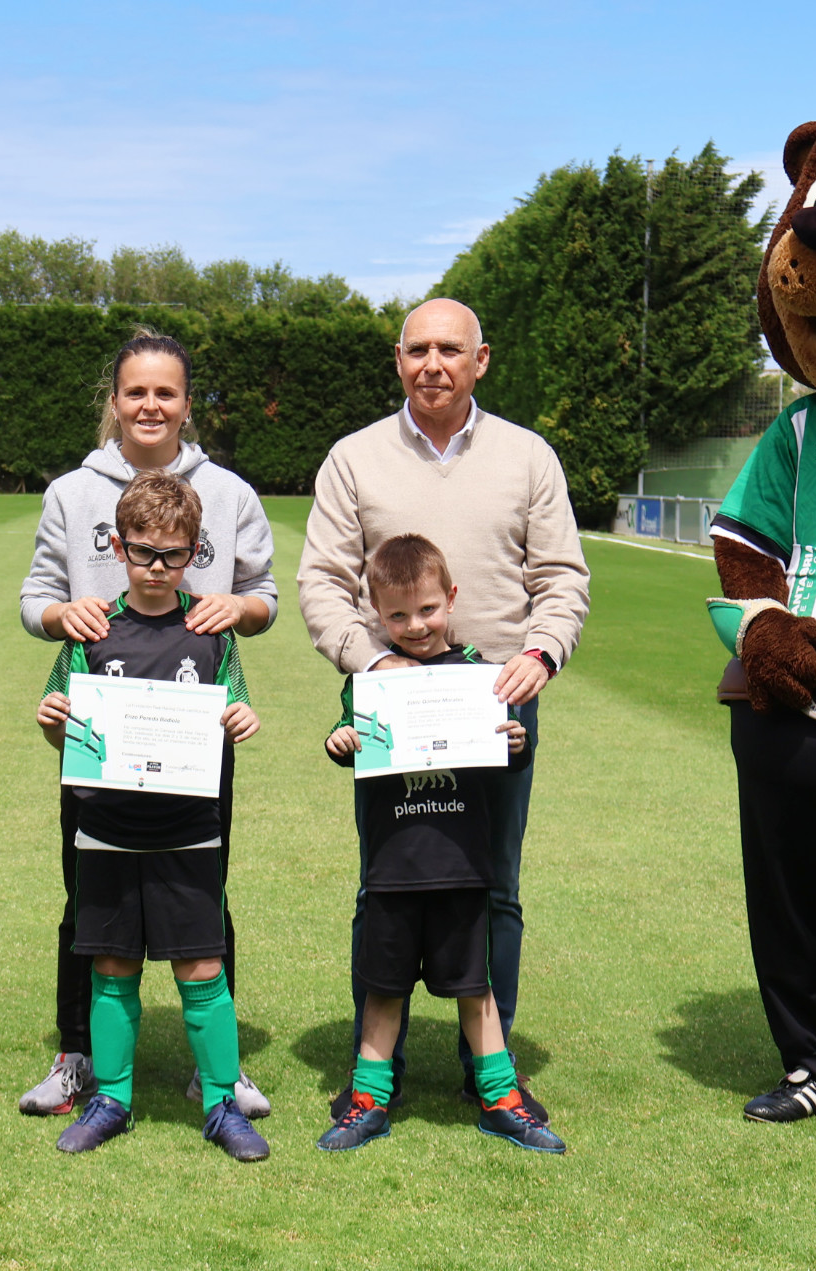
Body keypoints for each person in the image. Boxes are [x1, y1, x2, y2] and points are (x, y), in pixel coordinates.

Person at [297, 298, 588, 1120]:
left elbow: (561, 577)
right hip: (389, 696)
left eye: (449, 350)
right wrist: (371, 661)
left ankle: (486, 1065)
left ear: (481, 360)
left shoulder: (527, 457)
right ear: (398, 359)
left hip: (496, 697)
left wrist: (539, 654)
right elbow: (321, 579)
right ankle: (372, 1069)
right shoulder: (353, 459)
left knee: (494, 886)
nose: (433, 363)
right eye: (418, 349)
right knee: (384, 883)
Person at [16, 328, 277, 1120]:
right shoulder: (72, 490)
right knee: (85, 893)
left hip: (192, 723)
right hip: (103, 726)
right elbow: (34, 598)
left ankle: (213, 1071)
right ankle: (78, 1055)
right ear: (116, 400)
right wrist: (65, 612)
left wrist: (242, 607)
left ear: (186, 403)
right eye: (137, 392)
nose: (151, 405)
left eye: (167, 392)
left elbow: (264, 592)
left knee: (203, 886)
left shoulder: (227, 492)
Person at [34, 472, 268, 1161]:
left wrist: (240, 715)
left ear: (196, 552)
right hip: (105, 828)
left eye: (173, 554)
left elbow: (235, 703)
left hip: (189, 831)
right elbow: (62, 721)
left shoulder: (210, 630)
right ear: (120, 548)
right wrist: (52, 723)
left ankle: (223, 1102)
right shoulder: (92, 627)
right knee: (112, 966)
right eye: (144, 552)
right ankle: (111, 1096)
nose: (158, 567)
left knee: (201, 967)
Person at [311, 534, 563, 1155]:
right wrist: (340, 742)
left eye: (427, 610)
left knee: (474, 990)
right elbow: (349, 735)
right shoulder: (368, 682)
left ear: (450, 599)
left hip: (462, 864)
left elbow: (506, 753)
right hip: (395, 866)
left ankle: (500, 1098)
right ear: (376, 614)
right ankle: (367, 1101)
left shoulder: (481, 673)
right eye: (396, 615)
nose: (415, 625)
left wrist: (513, 743)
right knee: (384, 988)